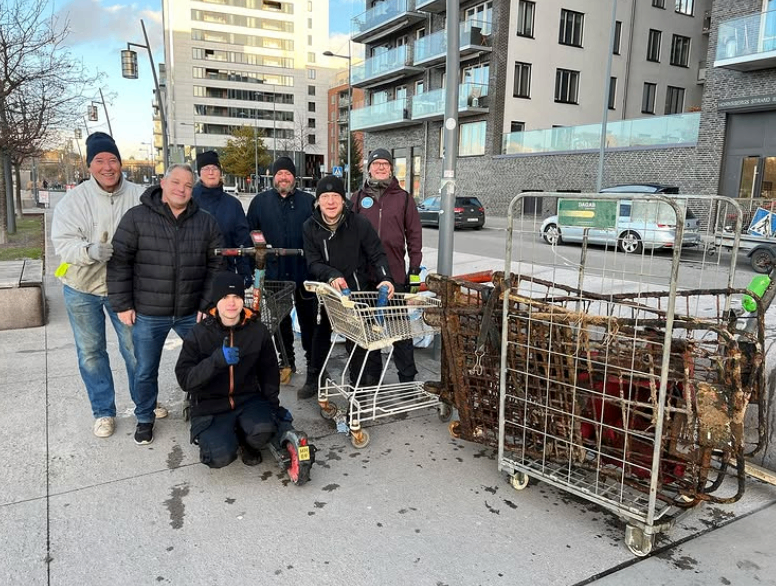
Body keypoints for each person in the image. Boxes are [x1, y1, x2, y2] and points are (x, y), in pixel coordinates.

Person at [107, 163, 224, 446]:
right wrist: (122, 304)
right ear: (163, 183)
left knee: (208, 359)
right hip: (149, 312)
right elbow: (120, 264)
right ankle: (145, 418)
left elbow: (216, 264)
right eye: (176, 183)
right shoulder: (136, 218)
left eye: (187, 185)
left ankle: (204, 406)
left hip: (190, 311)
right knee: (145, 369)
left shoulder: (205, 221)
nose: (181, 189)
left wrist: (206, 304)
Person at [52, 132, 159, 438]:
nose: (107, 167)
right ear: (90, 166)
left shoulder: (140, 195)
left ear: (121, 163)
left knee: (136, 350)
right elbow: (63, 245)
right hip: (81, 287)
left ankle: (144, 404)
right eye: (100, 161)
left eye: (112, 160)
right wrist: (89, 251)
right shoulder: (73, 201)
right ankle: (103, 411)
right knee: (91, 352)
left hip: (124, 290)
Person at [175, 271, 283, 468]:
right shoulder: (198, 333)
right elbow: (185, 379)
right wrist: (215, 361)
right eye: (225, 297)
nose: (231, 303)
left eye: (236, 297)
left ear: (243, 300)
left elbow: (269, 371)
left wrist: (273, 406)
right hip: (210, 405)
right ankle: (225, 436)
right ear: (216, 300)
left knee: (264, 433)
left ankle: (245, 438)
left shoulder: (257, 331)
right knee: (219, 457)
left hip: (248, 399)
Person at [303, 175, 394, 387]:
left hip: (356, 294)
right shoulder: (310, 227)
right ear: (318, 201)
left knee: (358, 342)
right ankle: (314, 380)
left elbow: (377, 254)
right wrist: (331, 274)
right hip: (327, 294)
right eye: (325, 197)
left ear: (343, 200)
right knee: (320, 336)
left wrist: (386, 278)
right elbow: (313, 262)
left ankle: (358, 387)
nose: (330, 202)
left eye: (335, 196)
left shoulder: (359, 224)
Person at [246, 156, 318, 397]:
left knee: (309, 323)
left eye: (288, 174)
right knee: (280, 323)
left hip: (304, 273)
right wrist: (255, 266)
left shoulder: (309, 202)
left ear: (294, 178)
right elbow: (251, 236)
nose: (284, 178)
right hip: (275, 275)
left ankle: (313, 366)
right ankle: (286, 362)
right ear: (273, 177)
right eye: (280, 174)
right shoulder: (260, 203)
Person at [351, 148, 423, 383]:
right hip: (365, 275)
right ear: (368, 168)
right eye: (376, 163)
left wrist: (414, 269)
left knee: (399, 329)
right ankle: (372, 376)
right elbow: (347, 233)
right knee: (369, 328)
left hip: (394, 274)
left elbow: (414, 236)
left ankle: (407, 377)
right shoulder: (358, 198)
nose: (381, 167)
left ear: (391, 168)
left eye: (385, 164)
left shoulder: (403, 198)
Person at [192, 150, 252, 287]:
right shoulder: (189, 201)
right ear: (199, 173)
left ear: (220, 173)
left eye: (214, 168)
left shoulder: (233, 204)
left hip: (225, 273)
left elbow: (242, 240)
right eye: (206, 168)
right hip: (193, 274)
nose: (211, 172)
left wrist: (244, 272)